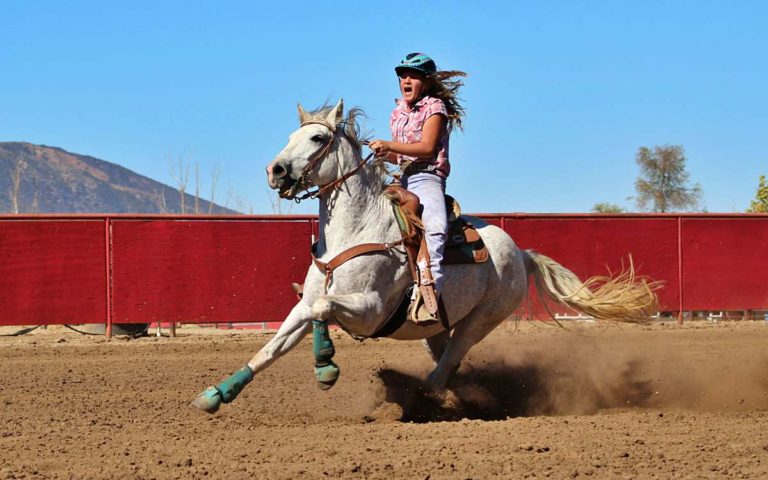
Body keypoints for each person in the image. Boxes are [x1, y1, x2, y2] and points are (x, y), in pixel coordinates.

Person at [369, 52, 466, 322]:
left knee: (434, 227)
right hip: (402, 178)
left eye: (413, 76)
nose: (406, 80)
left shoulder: (435, 107)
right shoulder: (397, 112)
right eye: (402, 76)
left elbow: (426, 148)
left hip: (427, 178)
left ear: (426, 81)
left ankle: (429, 294)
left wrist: (389, 145)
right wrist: (381, 152)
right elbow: (401, 155)